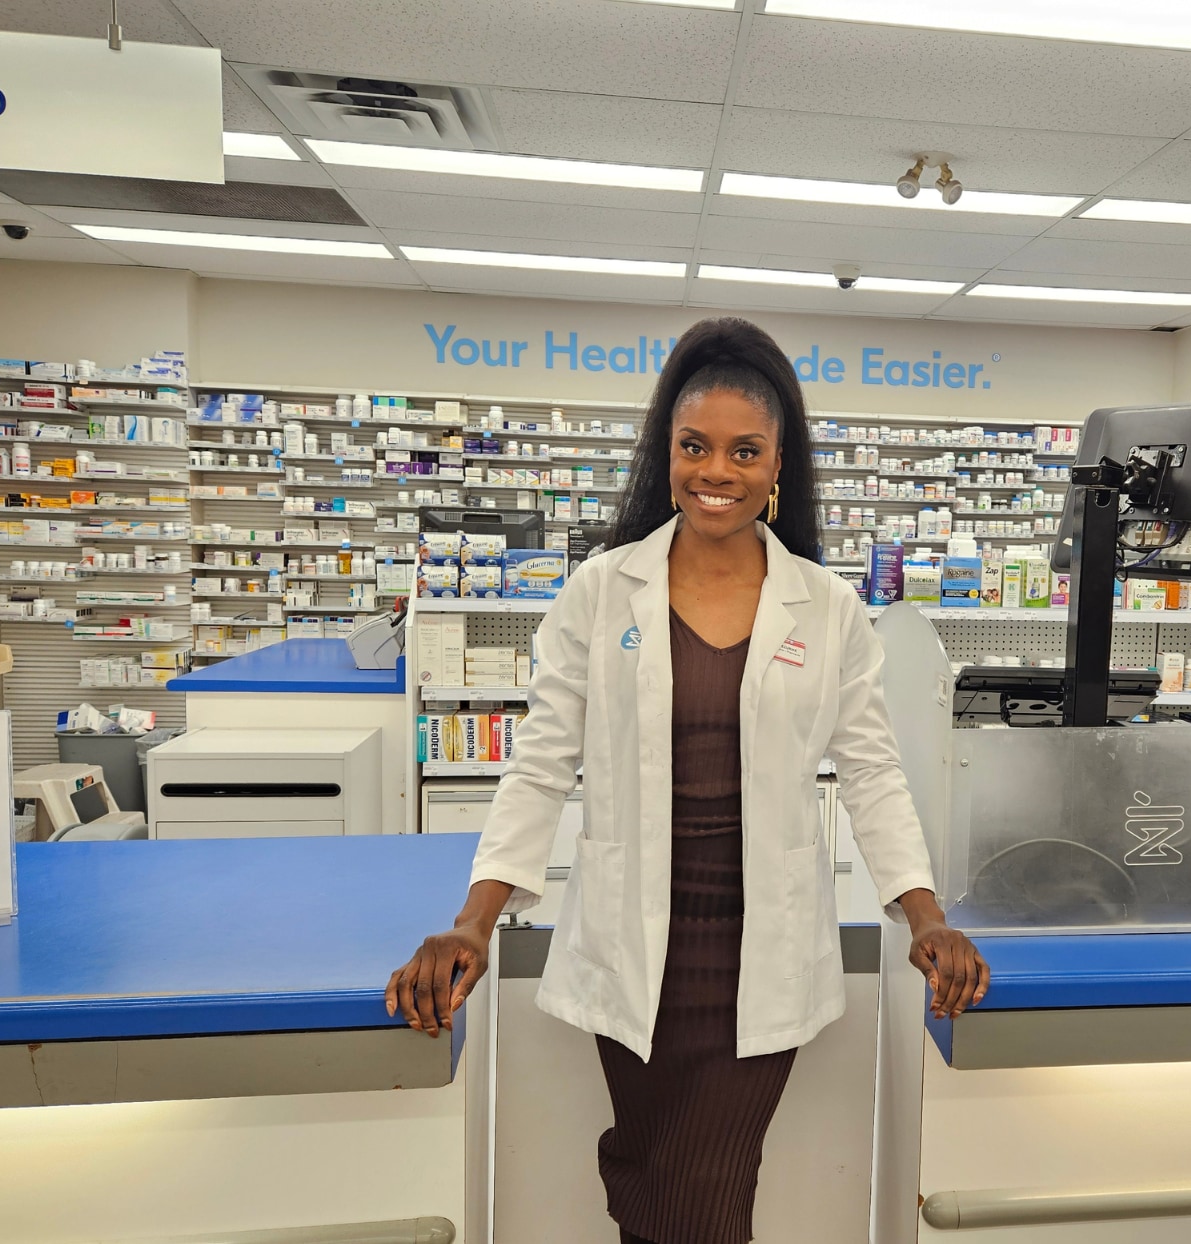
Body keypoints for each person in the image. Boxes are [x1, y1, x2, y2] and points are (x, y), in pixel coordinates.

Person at [387, 316, 989, 1244]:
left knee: (699, 1190)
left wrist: (926, 913)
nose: (717, 471)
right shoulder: (601, 587)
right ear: (665, 453)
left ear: (778, 466)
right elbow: (542, 763)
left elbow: (872, 771)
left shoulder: (827, 609)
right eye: (695, 447)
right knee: (651, 1171)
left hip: (763, 952)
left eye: (745, 451)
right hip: (634, 950)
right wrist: (475, 918)